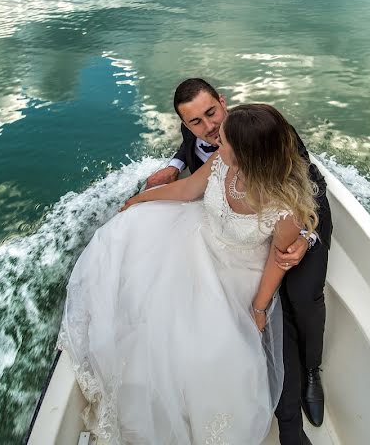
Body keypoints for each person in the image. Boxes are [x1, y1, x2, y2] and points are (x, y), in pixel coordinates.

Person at [58, 104, 319, 444]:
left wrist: (258, 308)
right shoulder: (221, 161)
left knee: (206, 347)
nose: (216, 144)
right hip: (195, 236)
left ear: (246, 155)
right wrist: (142, 199)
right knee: (133, 250)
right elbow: (187, 190)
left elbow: (277, 262)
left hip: (237, 270)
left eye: (223, 141)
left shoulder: (284, 210)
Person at [145, 79, 333, 445]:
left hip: (297, 226)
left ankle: (307, 378)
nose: (209, 130)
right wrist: (167, 171)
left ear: (222, 103)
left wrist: (306, 239)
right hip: (219, 235)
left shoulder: (267, 135)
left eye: (212, 115)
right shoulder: (213, 143)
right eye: (196, 122)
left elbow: (308, 194)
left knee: (298, 300)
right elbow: (190, 173)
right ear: (187, 125)